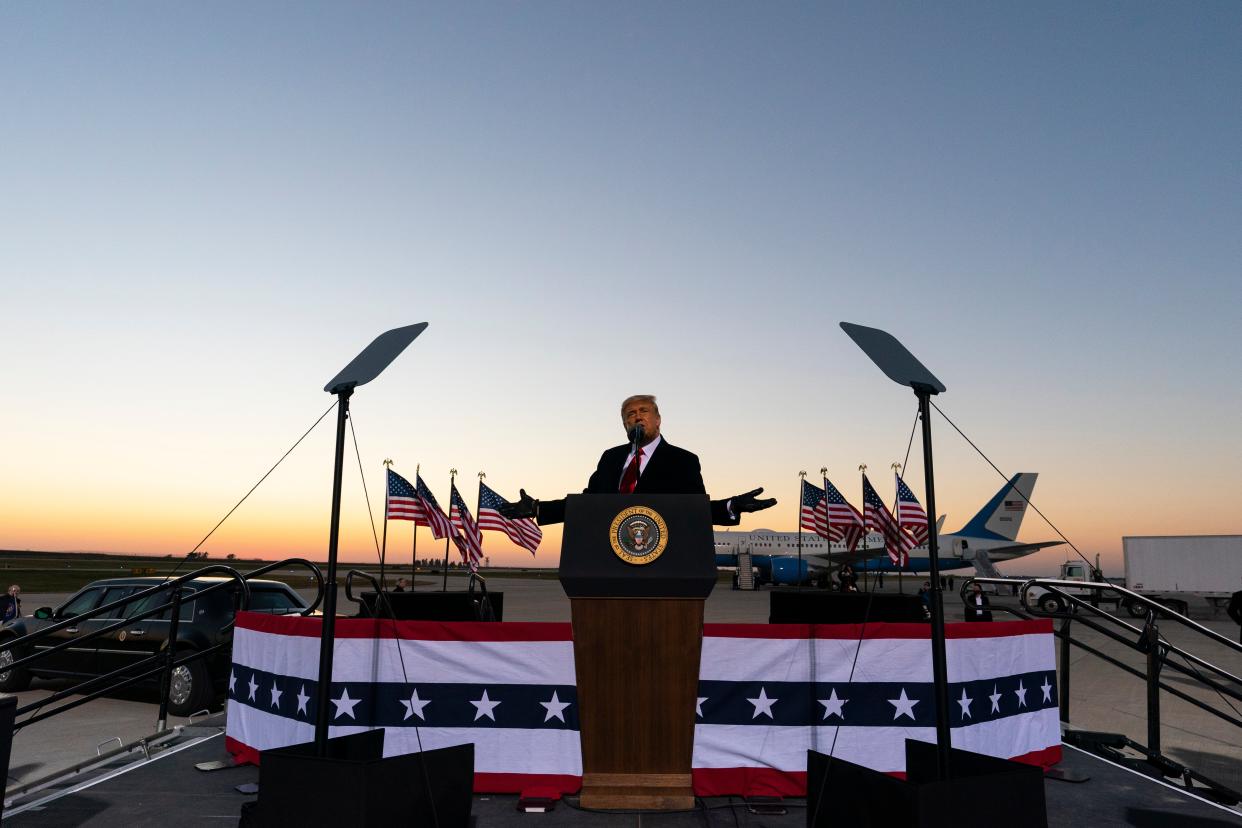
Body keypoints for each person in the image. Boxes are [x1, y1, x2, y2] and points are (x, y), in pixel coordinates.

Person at [501, 395, 776, 526]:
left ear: (658, 420)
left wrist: (730, 506)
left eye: (644, 411)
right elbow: (589, 503)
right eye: (629, 414)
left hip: (662, 563)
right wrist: (539, 508)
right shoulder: (610, 459)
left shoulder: (683, 460)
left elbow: (693, 509)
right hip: (608, 559)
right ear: (624, 424)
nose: (636, 416)